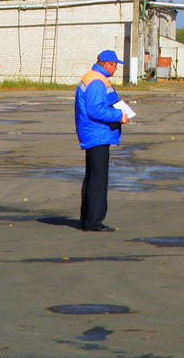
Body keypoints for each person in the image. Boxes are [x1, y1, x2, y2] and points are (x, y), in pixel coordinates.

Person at [74, 49, 128, 232]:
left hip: (94, 133)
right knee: (98, 179)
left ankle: (87, 219)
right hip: (97, 133)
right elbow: (95, 110)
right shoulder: (97, 81)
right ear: (107, 64)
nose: (116, 69)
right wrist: (119, 115)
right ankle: (94, 221)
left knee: (92, 177)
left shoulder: (93, 77)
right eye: (115, 65)